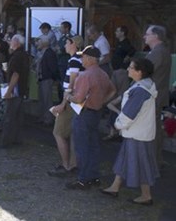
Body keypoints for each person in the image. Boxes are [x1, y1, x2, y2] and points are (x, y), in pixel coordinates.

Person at [100, 58, 160, 206]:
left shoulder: (140, 90)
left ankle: (146, 195)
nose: (128, 69)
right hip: (138, 132)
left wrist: (118, 124)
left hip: (137, 134)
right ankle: (115, 187)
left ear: (139, 72)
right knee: (126, 159)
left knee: (141, 163)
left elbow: (129, 114)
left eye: (131, 67)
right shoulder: (143, 86)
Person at [64, 46, 116, 190]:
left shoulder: (85, 75)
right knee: (93, 146)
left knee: (81, 147)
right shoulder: (103, 74)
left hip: (84, 113)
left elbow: (78, 98)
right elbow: (113, 90)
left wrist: (68, 96)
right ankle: (93, 176)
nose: (81, 60)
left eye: (83, 57)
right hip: (96, 112)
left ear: (89, 58)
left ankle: (83, 179)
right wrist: (102, 101)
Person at [48, 35, 84, 177]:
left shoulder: (75, 60)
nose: (64, 46)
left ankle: (66, 165)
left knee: (58, 132)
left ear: (73, 44)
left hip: (71, 101)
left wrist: (63, 103)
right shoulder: (76, 60)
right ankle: (73, 164)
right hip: (74, 101)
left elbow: (72, 84)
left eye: (67, 43)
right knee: (72, 134)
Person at [143, 25, 172, 166]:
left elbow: (142, 72)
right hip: (158, 94)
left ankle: (152, 161)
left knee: (151, 129)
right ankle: (156, 160)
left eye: (147, 34)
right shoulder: (163, 51)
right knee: (155, 128)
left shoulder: (157, 52)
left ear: (155, 36)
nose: (144, 37)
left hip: (152, 96)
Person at [0, 34, 30, 149]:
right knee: (18, 117)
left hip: (15, 90)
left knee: (9, 116)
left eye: (12, 40)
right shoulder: (24, 55)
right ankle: (17, 139)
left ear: (17, 42)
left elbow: (15, 75)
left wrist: (8, 91)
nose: (10, 42)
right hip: (21, 89)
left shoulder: (16, 56)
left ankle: (5, 141)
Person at [37, 36, 59, 125]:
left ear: (44, 43)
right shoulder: (43, 52)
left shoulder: (49, 53)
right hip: (42, 78)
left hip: (47, 78)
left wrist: (54, 78)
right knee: (42, 99)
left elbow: (52, 67)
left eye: (39, 42)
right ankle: (43, 116)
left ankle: (48, 118)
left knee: (47, 100)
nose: (37, 43)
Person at [57, 21, 75, 101]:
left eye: (62, 27)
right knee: (61, 83)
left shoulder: (71, 38)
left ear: (67, 28)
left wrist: (60, 50)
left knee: (66, 83)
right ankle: (61, 99)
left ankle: (66, 100)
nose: (60, 29)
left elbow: (62, 50)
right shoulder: (61, 38)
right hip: (60, 63)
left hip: (65, 63)